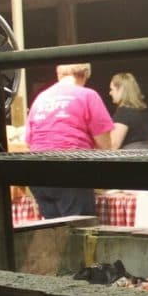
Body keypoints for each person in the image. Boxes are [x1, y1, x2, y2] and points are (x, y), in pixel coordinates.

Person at [24, 63, 114, 217]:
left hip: (36, 170)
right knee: (78, 230)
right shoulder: (87, 95)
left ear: (59, 75)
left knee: (53, 231)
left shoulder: (41, 97)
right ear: (84, 75)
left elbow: (28, 141)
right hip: (70, 168)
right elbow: (105, 145)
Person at [108, 72, 148, 149]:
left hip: (130, 157)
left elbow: (113, 145)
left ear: (121, 89)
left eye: (112, 89)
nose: (110, 93)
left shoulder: (123, 112)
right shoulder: (143, 111)